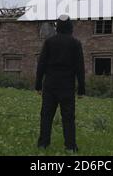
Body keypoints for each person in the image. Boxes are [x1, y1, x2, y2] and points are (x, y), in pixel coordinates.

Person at [35, 15, 85, 152]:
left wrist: (38, 85)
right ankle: (70, 146)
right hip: (67, 87)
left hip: (50, 85)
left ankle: (43, 144)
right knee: (68, 117)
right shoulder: (76, 44)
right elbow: (80, 68)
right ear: (70, 27)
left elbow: (41, 65)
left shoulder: (49, 42)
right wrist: (81, 89)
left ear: (58, 27)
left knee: (46, 115)